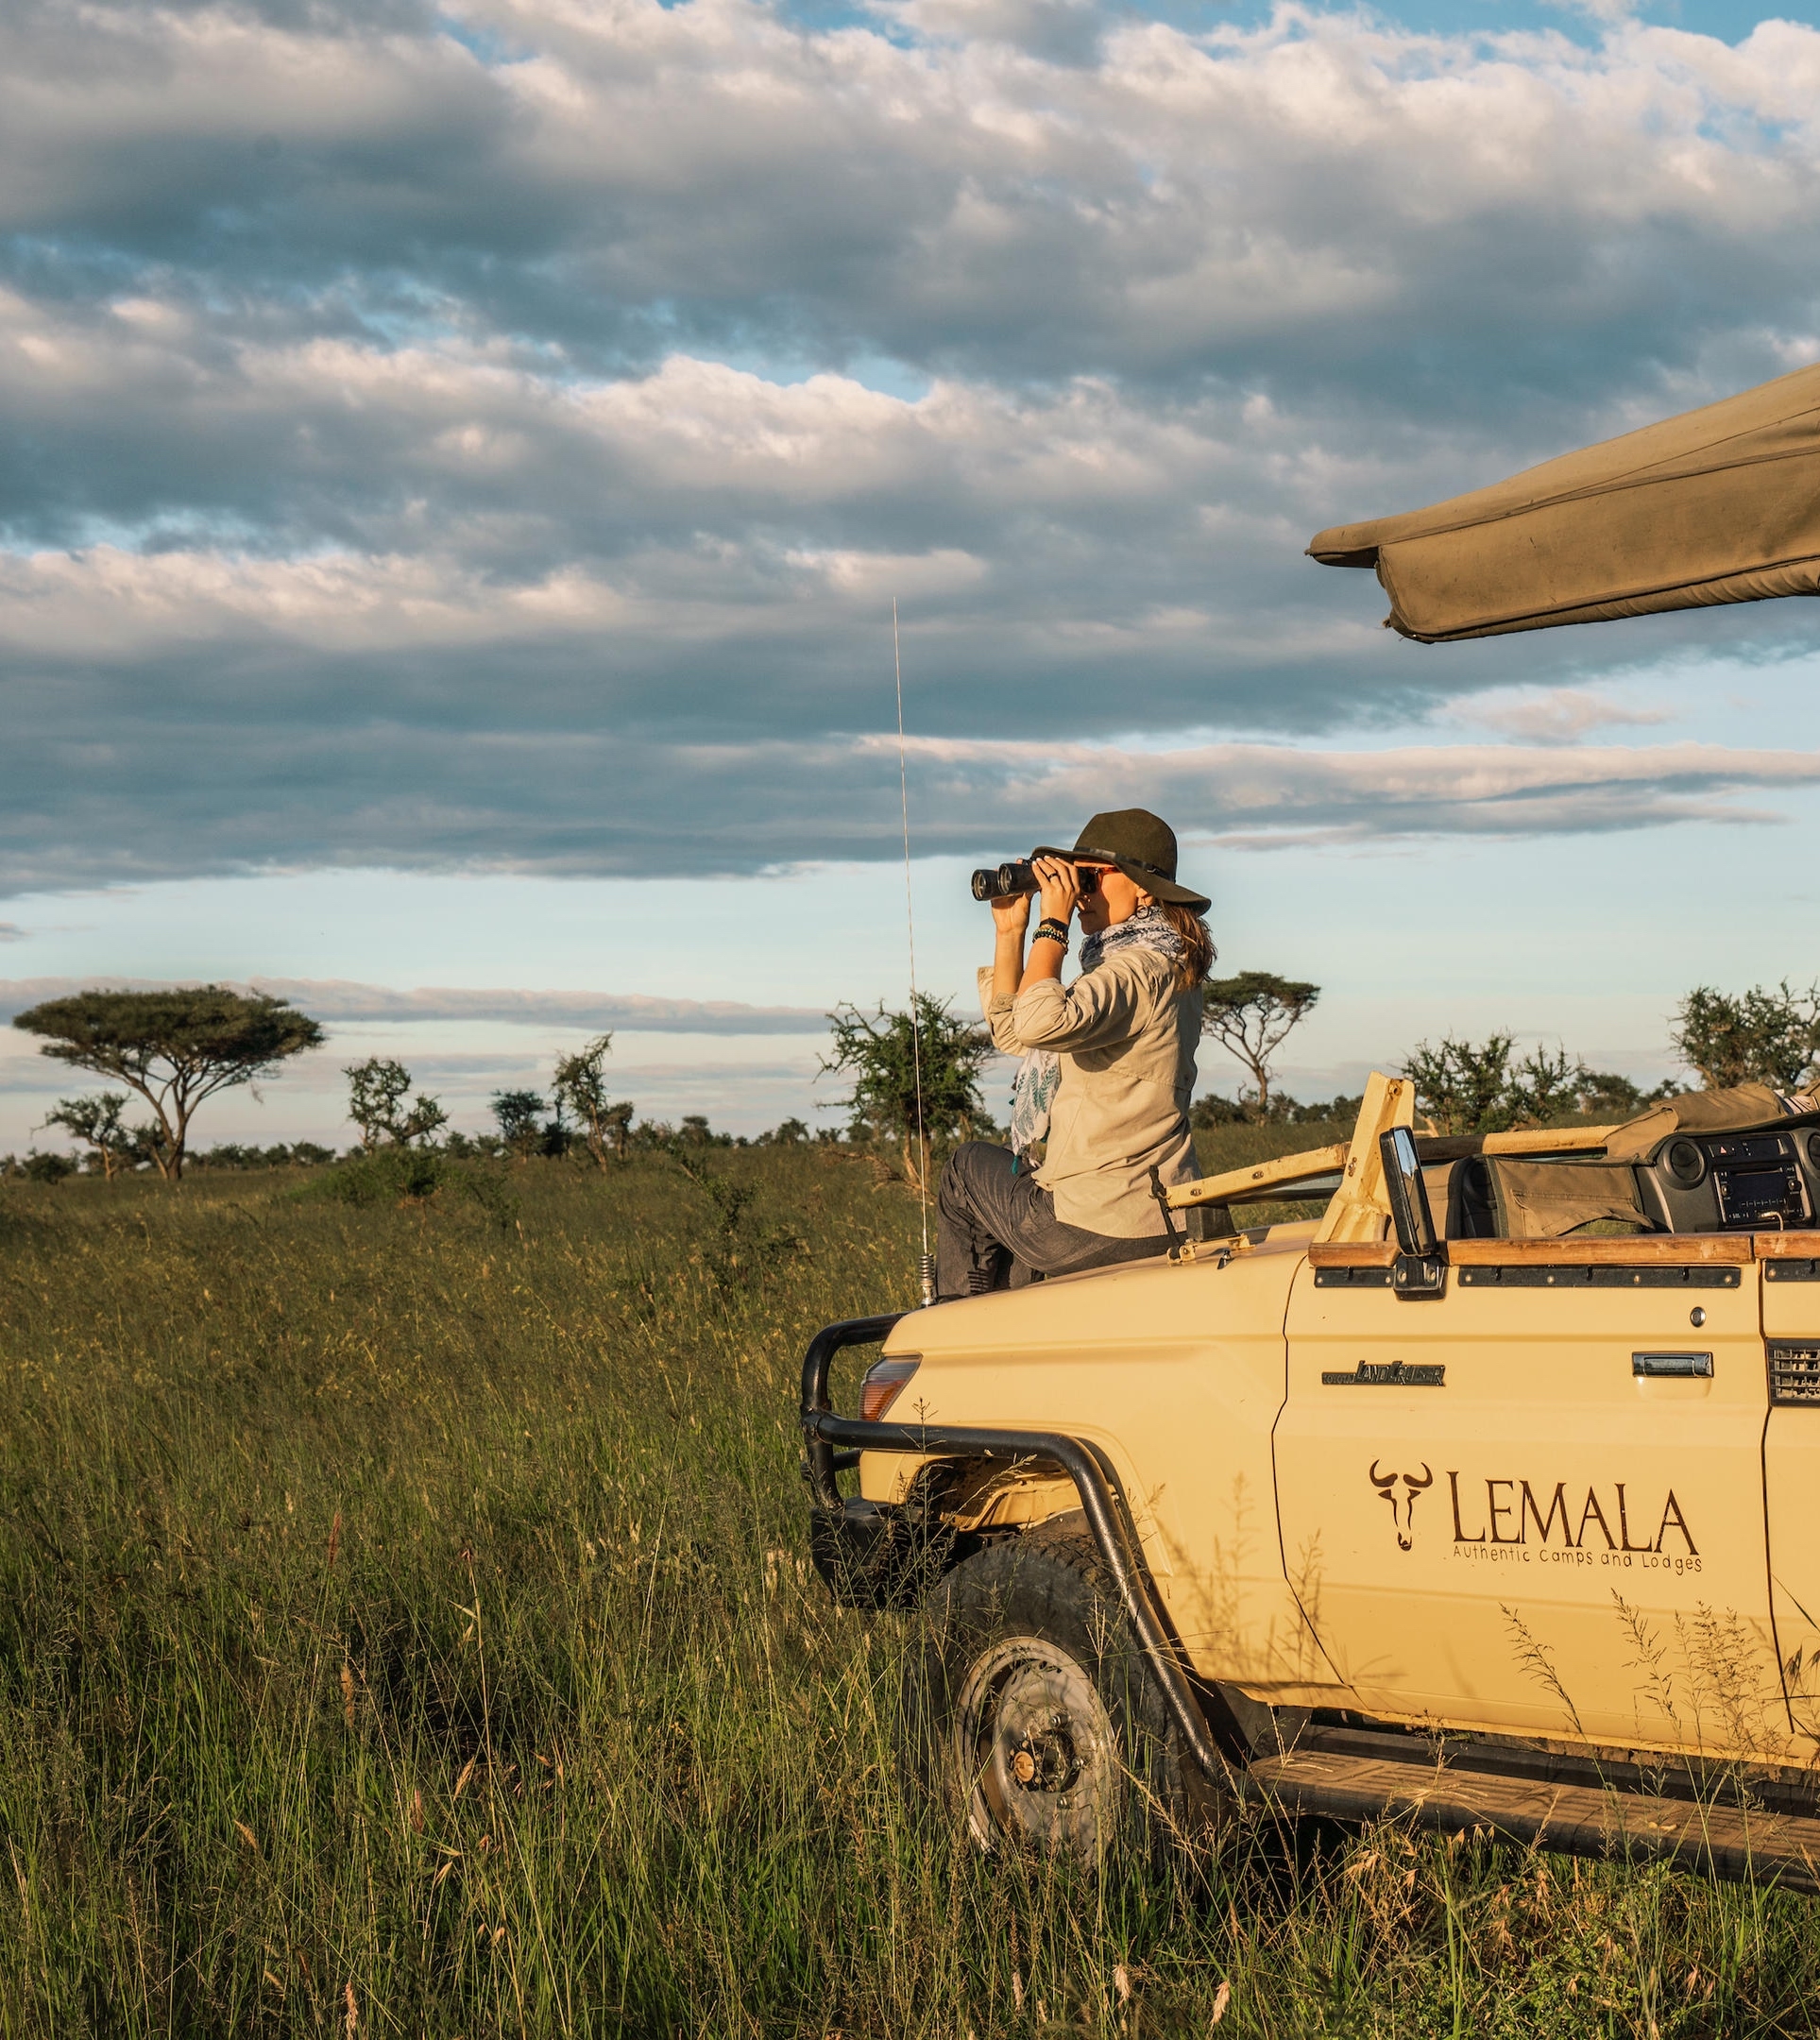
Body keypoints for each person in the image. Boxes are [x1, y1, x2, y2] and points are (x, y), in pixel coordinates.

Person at [936, 808, 1214, 1298]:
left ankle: (956, 1326)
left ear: (1144, 888)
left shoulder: (1137, 970)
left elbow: (1040, 1020)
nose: (1079, 891)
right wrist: (1009, 933)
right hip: (1160, 1215)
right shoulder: (1159, 964)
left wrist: (1053, 922)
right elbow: (1018, 1031)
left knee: (965, 1169)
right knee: (1023, 1208)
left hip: (1098, 1218)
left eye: (1091, 877)